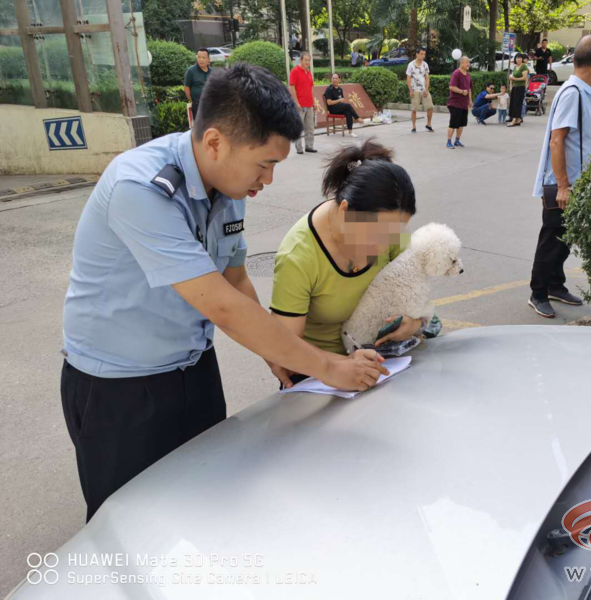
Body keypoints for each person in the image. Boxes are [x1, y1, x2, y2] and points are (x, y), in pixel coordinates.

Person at [60, 64, 388, 521]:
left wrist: (281, 355)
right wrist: (328, 366)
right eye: (265, 164)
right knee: (128, 524)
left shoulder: (229, 185)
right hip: (119, 388)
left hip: (193, 369)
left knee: (205, 507)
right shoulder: (139, 188)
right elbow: (219, 303)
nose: (268, 180)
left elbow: (235, 279)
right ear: (215, 142)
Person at [269, 140, 424, 388]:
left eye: (393, 235)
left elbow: (422, 300)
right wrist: (337, 365)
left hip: (383, 364)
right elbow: (285, 348)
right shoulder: (299, 255)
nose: (384, 247)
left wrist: (414, 323)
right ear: (345, 211)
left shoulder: (388, 234)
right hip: (317, 374)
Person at [528, 35, 591, 318]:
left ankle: (554, 285)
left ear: (574, 59)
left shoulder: (584, 90)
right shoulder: (573, 92)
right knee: (552, 239)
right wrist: (563, 186)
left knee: (565, 239)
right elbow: (557, 141)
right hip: (562, 185)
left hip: (575, 183)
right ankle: (538, 293)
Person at [288, 51, 317, 154]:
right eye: (306, 60)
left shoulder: (308, 72)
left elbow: (311, 88)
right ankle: (299, 149)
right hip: (300, 105)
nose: (307, 62)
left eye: (309, 60)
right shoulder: (295, 71)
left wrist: (314, 102)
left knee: (310, 127)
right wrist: (296, 102)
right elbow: (292, 87)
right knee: (299, 127)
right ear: (300, 60)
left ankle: (309, 146)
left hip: (309, 104)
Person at [325, 73, 364, 137]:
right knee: (348, 105)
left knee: (348, 112)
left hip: (339, 107)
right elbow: (329, 102)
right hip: (333, 109)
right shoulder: (329, 89)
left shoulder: (340, 89)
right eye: (333, 78)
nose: (334, 80)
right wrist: (339, 100)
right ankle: (358, 118)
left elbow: (342, 100)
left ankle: (350, 131)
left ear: (339, 80)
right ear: (331, 79)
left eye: (336, 78)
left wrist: (341, 102)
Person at [406, 47, 435, 133]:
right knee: (414, 109)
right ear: (417, 54)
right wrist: (410, 90)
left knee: (430, 107)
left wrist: (427, 89)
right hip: (415, 90)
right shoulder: (411, 65)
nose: (423, 56)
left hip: (424, 90)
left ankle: (428, 125)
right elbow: (408, 79)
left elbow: (427, 77)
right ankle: (414, 127)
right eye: (421, 54)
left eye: (424, 54)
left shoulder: (425, 65)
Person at [446, 56, 472, 149]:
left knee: (461, 124)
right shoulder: (456, 73)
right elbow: (451, 87)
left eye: (469, 62)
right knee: (453, 124)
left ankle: (457, 140)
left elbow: (469, 89)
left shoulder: (468, 75)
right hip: (455, 103)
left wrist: (470, 100)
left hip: (464, 104)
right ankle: (449, 142)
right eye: (466, 62)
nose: (468, 64)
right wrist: (462, 91)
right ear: (461, 63)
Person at [183, 47, 211, 124]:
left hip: (210, 104)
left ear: (209, 59)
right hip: (197, 104)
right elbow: (186, 87)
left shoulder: (212, 72)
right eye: (199, 57)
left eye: (203, 57)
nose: (201, 60)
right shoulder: (191, 71)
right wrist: (192, 100)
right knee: (201, 127)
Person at [507, 53, 529, 127]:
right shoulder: (515, 66)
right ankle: (517, 119)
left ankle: (514, 120)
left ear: (522, 59)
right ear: (515, 59)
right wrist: (511, 85)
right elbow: (512, 76)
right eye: (517, 58)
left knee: (517, 104)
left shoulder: (524, 66)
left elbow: (524, 78)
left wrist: (514, 79)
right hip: (514, 87)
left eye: (520, 58)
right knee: (513, 103)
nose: (518, 59)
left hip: (520, 87)